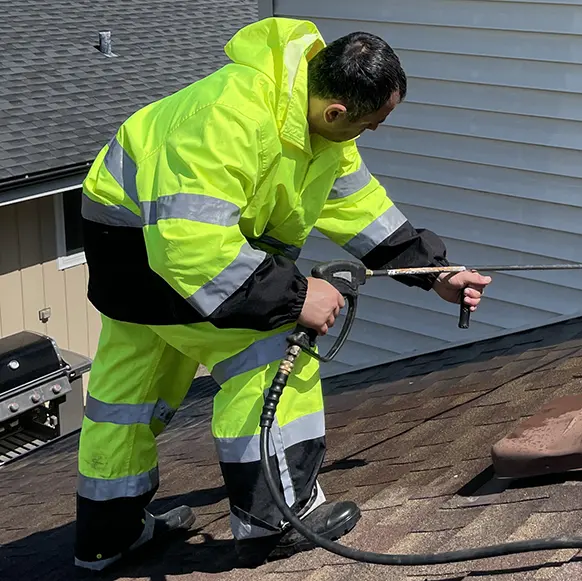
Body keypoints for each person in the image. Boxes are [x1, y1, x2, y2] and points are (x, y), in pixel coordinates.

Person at [72, 16, 492, 571]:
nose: (370, 136)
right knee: (273, 353)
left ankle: (110, 535)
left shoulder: (311, 119)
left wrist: (433, 272)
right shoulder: (231, 117)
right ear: (337, 112)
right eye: (369, 126)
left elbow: (360, 207)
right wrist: (296, 301)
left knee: (125, 401)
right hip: (151, 261)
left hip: (132, 263)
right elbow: (189, 248)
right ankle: (277, 520)